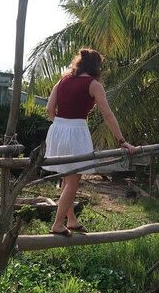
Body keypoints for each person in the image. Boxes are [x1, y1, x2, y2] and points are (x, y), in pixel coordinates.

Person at [43, 48, 138, 236]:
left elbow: (49, 109)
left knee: (67, 177)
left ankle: (71, 220)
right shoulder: (93, 84)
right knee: (73, 180)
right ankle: (57, 224)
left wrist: (62, 124)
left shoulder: (62, 80)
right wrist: (122, 141)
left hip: (57, 130)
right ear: (96, 67)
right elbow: (107, 114)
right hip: (76, 131)